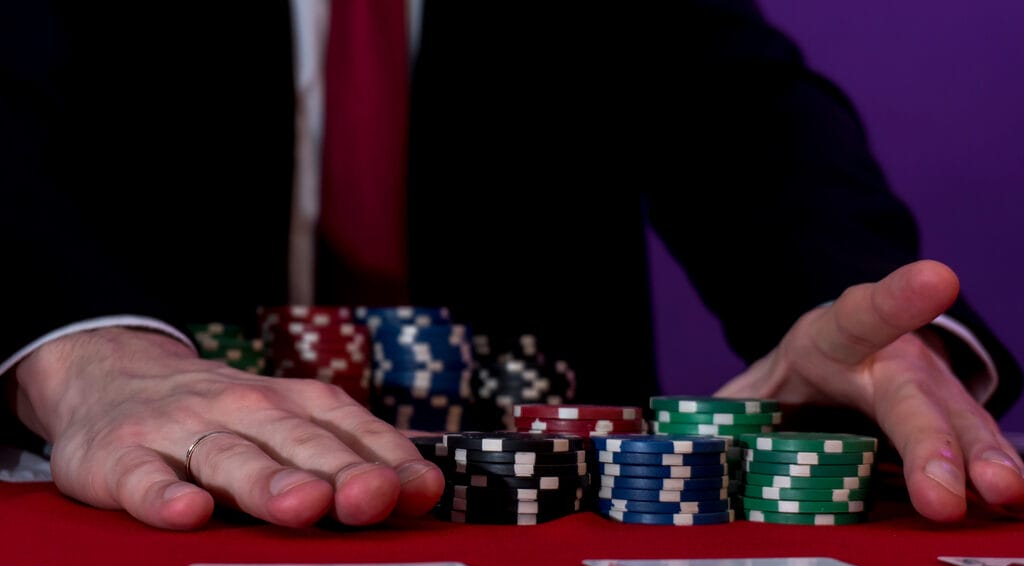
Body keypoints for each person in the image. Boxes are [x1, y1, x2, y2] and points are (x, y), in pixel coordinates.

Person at [1, 2, 1022, 530]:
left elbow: (740, 110)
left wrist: (878, 328)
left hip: (534, 495)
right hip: (144, 479)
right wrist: (78, 348)